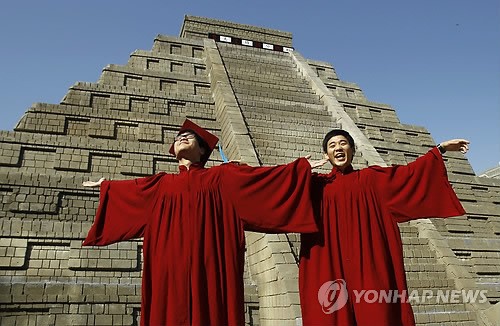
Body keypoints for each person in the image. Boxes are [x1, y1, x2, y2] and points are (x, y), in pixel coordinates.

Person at [82, 119, 319, 326]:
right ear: (173, 151)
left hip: (211, 267)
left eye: (189, 136)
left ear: (203, 149)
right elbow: (129, 194)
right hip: (169, 271)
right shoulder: (160, 185)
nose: (182, 137)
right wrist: (107, 188)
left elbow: (264, 183)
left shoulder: (223, 178)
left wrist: (298, 171)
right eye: (179, 137)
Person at [299, 129, 469, 326]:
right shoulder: (315, 186)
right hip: (329, 265)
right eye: (332, 145)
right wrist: (299, 172)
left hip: (370, 265)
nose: (338, 147)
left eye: (343, 143)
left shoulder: (372, 179)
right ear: (326, 155)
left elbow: (409, 175)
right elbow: (278, 189)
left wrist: (440, 149)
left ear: (352, 150)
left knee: (378, 315)